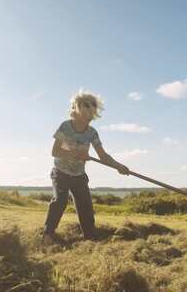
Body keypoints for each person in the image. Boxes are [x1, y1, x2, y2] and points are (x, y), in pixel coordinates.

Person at [43, 90, 130, 242]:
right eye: (85, 114)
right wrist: (76, 153)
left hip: (79, 175)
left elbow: (103, 156)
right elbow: (55, 151)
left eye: (91, 115)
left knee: (86, 207)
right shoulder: (65, 127)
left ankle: (90, 238)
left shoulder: (92, 133)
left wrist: (119, 166)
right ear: (76, 111)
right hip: (61, 172)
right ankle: (48, 234)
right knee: (60, 201)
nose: (88, 118)